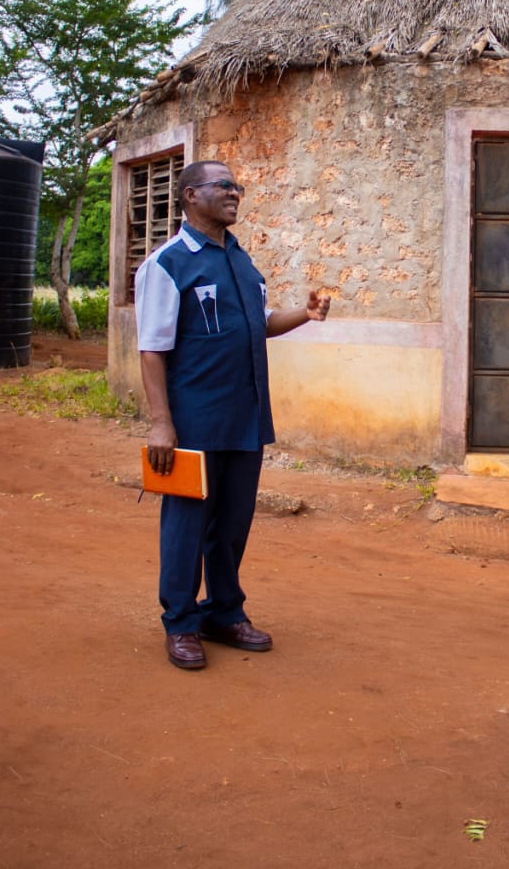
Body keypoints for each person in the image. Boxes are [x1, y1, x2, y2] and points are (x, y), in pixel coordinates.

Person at [135, 159, 330, 670]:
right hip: (194, 419)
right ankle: (180, 623)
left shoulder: (242, 261)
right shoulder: (167, 264)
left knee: (232, 524)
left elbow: (260, 323)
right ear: (190, 195)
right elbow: (152, 348)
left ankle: (223, 612)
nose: (235, 193)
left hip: (245, 417)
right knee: (186, 525)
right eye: (223, 185)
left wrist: (304, 316)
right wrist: (161, 422)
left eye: (237, 186)